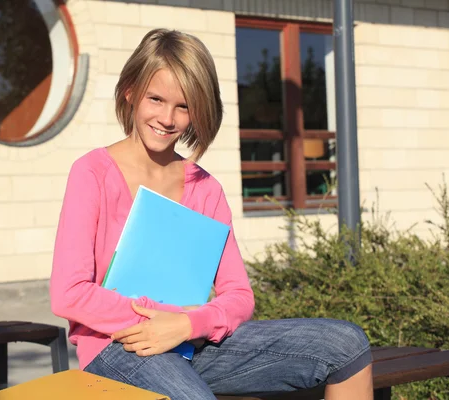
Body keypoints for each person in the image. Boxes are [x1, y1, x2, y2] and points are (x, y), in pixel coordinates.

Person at [50, 28, 373, 400]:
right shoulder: (92, 172)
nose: (167, 118)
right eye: (156, 99)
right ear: (130, 92)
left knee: (345, 343)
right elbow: (68, 294)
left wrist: (187, 324)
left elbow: (239, 295)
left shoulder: (205, 188)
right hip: (118, 348)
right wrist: (160, 319)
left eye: (183, 106)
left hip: (191, 342)